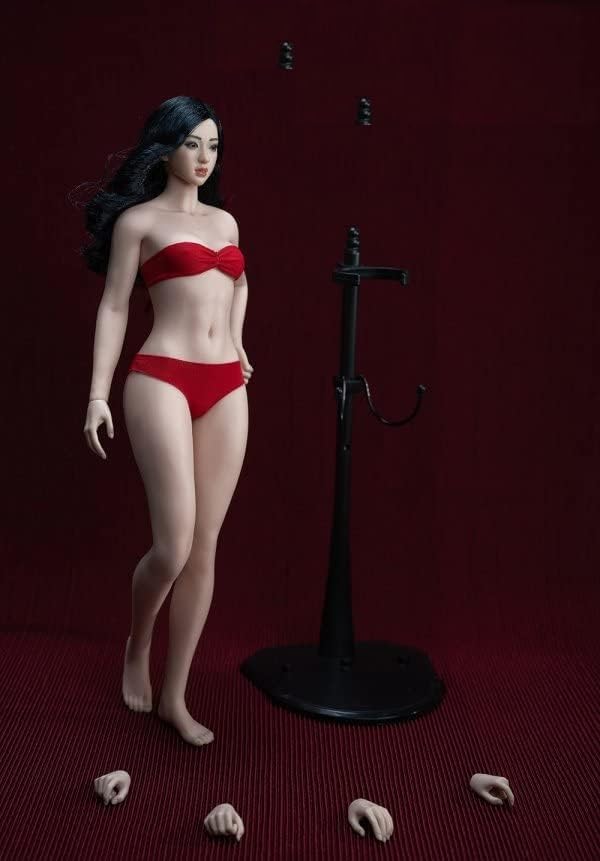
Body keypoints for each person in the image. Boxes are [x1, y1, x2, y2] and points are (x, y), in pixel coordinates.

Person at [82, 95, 254, 746]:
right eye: (192, 143)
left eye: (213, 145)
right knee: (173, 545)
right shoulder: (140, 222)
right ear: (166, 147)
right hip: (161, 377)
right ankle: (138, 642)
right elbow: (115, 306)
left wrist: (237, 342)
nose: (204, 157)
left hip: (225, 384)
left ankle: (175, 696)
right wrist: (97, 394)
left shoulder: (226, 223)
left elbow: (239, 283)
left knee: (206, 545)